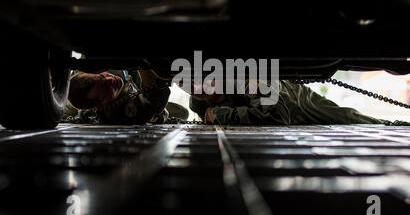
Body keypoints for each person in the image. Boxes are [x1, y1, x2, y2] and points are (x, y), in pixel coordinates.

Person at [188, 80, 388, 125]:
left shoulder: (247, 82)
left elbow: (277, 116)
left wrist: (223, 115)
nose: (196, 90)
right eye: (185, 84)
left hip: (302, 110)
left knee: (354, 121)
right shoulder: (197, 103)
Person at [64, 69, 188, 125]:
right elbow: (155, 96)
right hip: (144, 104)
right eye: (105, 87)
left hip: (129, 85)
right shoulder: (123, 114)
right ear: (101, 105)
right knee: (182, 113)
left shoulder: (109, 78)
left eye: (102, 76)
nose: (109, 79)